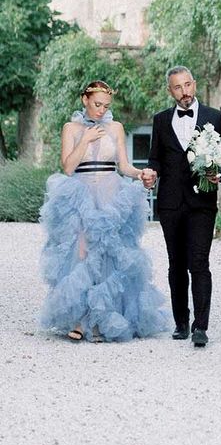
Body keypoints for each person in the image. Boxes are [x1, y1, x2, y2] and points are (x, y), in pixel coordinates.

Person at [39, 80, 171, 342]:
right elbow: (67, 167)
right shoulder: (71, 128)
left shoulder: (116, 128)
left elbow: (124, 166)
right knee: (81, 252)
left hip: (111, 193)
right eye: (97, 104)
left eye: (106, 106)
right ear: (85, 100)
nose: (101, 110)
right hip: (80, 195)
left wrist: (141, 173)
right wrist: (85, 139)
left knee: (111, 254)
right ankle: (78, 318)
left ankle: (103, 318)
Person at [148, 66, 221, 348]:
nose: (185, 92)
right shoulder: (160, 121)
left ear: (194, 84)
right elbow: (154, 160)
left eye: (188, 85)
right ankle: (181, 323)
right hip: (170, 204)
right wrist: (150, 175)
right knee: (176, 265)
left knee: (199, 263)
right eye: (178, 88)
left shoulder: (214, 117)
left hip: (202, 203)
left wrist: (219, 172)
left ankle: (200, 327)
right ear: (170, 91)